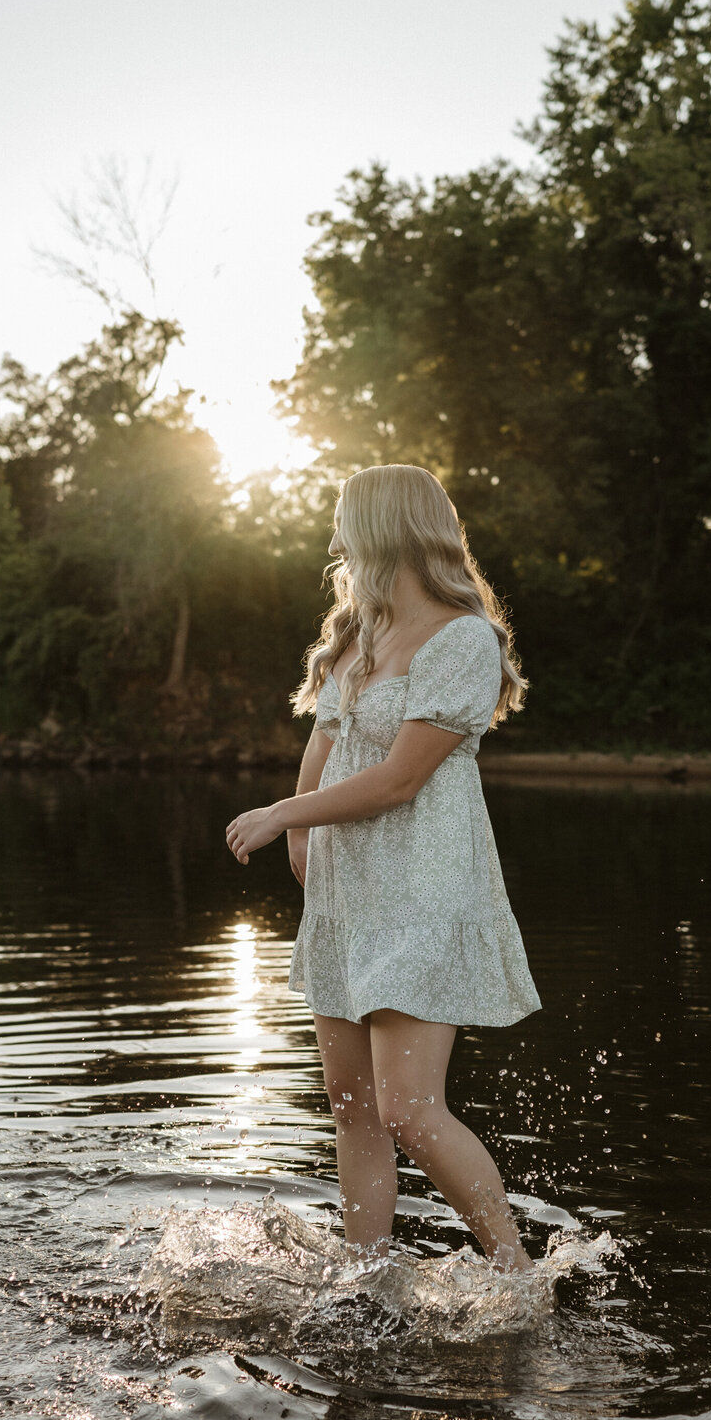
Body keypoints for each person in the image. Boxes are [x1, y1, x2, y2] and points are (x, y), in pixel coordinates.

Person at [225, 464, 541, 1273]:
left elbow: (402, 778)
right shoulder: (359, 635)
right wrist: (304, 846)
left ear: (386, 531)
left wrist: (283, 816)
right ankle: (362, 1278)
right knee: (353, 1106)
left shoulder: (463, 640)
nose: (335, 543)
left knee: (409, 1108)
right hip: (348, 891)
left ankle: (515, 1274)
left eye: (345, 526)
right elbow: (323, 744)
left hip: (425, 892)